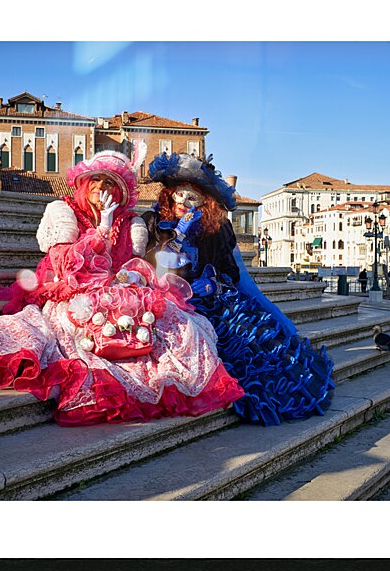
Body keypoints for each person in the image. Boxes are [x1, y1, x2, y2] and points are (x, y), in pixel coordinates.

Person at [0, 150, 244, 426]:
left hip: (114, 292)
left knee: (180, 323)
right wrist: (102, 229)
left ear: (120, 190)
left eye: (109, 182)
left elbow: (129, 264)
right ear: (84, 182)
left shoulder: (131, 224)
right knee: (80, 333)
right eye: (96, 179)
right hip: (70, 290)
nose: (101, 187)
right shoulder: (63, 212)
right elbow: (65, 264)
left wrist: (131, 279)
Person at [143, 151, 335, 426]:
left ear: (204, 202)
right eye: (180, 194)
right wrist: (179, 237)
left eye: (192, 197)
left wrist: (214, 285)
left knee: (249, 331)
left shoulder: (216, 230)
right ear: (170, 193)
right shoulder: (153, 223)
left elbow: (235, 276)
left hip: (212, 301)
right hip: (172, 303)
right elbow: (159, 271)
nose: (184, 202)